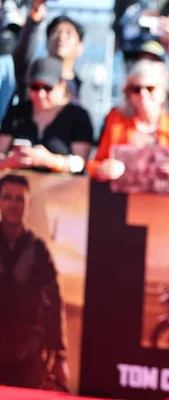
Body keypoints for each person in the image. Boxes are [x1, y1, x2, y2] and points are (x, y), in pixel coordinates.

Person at [87, 59, 169, 190]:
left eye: (150, 88)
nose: (143, 94)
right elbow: (93, 165)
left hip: (166, 206)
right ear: (129, 93)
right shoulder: (116, 121)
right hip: (122, 203)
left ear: (163, 92)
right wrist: (103, 170)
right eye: (136, 89)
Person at [0, 174, 68, 390]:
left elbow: (54, 302)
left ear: (28, 204)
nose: (13, 204)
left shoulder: (38, 249)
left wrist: (59, 356)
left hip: (26, 356)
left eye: (20, 199)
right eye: (7, 197)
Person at [0, 57, 93, 174]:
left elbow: (80, 163)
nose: (41, 94)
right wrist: (11, 161)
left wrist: (49, 160)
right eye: (35, 87)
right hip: (18, 187)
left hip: (60, 189)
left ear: (61, 86)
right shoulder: (17, 112)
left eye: (48, 88)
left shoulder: (78, 116)